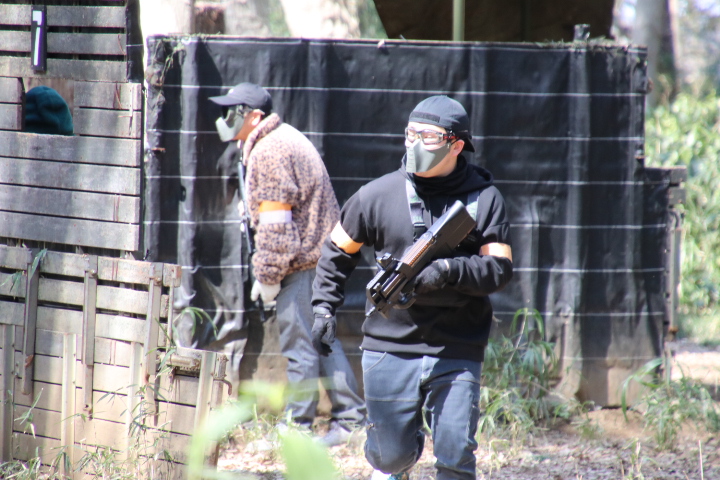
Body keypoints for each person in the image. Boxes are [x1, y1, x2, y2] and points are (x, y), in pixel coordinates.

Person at [311, 95, 513, 479]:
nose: (416, 143)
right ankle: (401, 461)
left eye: (429, 136)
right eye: (410, 133)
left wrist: (449, 270)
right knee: (389, 458)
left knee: (456, 456)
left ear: (456, 145)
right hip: (389, 344)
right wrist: (322, 307)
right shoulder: (376, 195)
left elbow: (499, 269)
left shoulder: (484, 199)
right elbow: (337, 252)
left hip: (456, 345)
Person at [209, 82, 366, 446]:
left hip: (303, 263)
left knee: (300, 348)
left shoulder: (270, 150)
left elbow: (277, 228)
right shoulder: (279, 139)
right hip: (319, 259)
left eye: (230, 112)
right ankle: (351, 422)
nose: (224, 118)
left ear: (253, 116)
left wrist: (267, 276)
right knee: (321, 340)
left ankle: (298, 431)